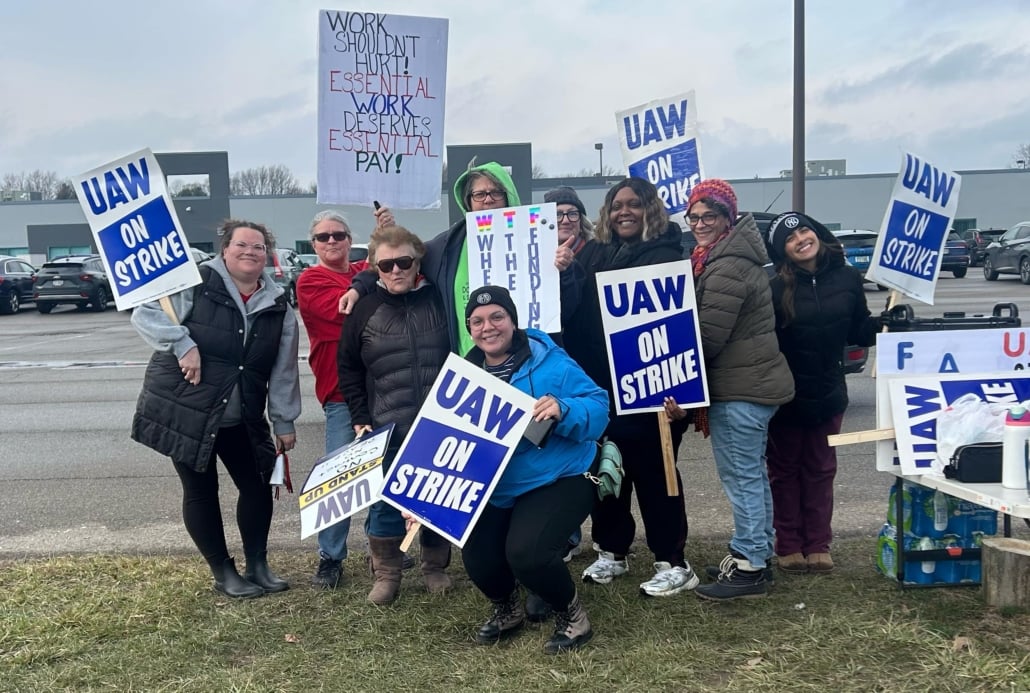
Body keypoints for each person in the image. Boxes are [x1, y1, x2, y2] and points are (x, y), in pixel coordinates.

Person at [130, 220, 301, 599]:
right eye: (241, 245)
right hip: (188, 409)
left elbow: (284, 368)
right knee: (200, 490)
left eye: (258, 247)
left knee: (257, 486)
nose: (249, 252)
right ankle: (223, 571)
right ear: (225, 249)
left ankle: (257, 564)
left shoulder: (278, 305)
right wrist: (181, 343)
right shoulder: (196, 282)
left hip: (243, 414)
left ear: (267, 255)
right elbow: (144, 313)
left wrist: (283, 419)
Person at [562, 177, 697, 597]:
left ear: (649, 209)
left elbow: (682, 330)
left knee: (657, 478)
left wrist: (685, 399)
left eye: (634, 204)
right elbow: (578, 315)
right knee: (608, 475)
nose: (624, 211)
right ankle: (612, 551)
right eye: (616, 204)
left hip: (653, 392)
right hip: (605, 391)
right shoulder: (598, 254)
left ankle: (673, 560)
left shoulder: (669, 254)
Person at [460, 285, 609, 654]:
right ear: (469, 328)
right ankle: (507, 609)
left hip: (558, 474)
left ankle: (573, 617)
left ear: (512, 320)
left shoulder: (549, 361)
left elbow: (599, 407)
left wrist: (564, 408)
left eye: (497, 317)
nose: (488, 327)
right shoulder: (463, 375)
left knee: (526, 552)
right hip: (498, 484)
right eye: (477, 321)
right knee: (476, 556)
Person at [683, 179, 794, 601]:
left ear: (728, 218)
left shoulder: (726, 265)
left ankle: (749, 566)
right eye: (693, 217)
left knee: (742, 477)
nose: (699, 224)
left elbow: (709, 336)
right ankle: (757, 553)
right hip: (749, 382)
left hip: (740, 386)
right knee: (751, 477)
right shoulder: (721, 257)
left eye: (708, 216)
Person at [337, 224, 453, 605]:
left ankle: (435, 567)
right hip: (387, 423)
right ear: (374, 267)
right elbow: (349, 368)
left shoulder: (440, 298)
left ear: (418, 260)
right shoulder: (364, 309)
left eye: (404, 261)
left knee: (436, 497)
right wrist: (359, 415)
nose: (396, 270)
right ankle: (387, 573)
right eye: (385, 265)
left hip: (439, 421)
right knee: (386, 502)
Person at [764, 211, 879, 574]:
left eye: (803, 230)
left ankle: (818, 544)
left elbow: (858, 331)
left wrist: (881, 324)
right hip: (786, 395)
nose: (800, 239)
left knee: (820, 469)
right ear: (783, 251)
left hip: (829, 391)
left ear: (816, 233)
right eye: (790, 238)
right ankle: (789, 545)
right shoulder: (774, 287)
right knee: (784, 472)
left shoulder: (847, 277)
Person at [296, 210, 368, 588]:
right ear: (314, 244)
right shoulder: (311, 279)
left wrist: (385, 235)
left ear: (349, 238)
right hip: (341, 393)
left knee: (385, 471)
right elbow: (347, 313)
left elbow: (400, 268)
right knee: (340, 475)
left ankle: (383, 549)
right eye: (323, 237)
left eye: (338, 235)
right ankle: (330, 556)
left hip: (381, 387)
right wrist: (372, 282)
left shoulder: (364, 269)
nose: (332, 242)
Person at [543, 185, 599, 563]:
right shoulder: (531, 253)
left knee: (577, 445)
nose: (565, 220)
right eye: (558, 214)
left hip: (583, 367)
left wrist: (566, 271)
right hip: (545, 363)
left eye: (572, 213)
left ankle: (577, 533)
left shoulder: (593, 253)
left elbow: (575, 306)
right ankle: (559, 531)